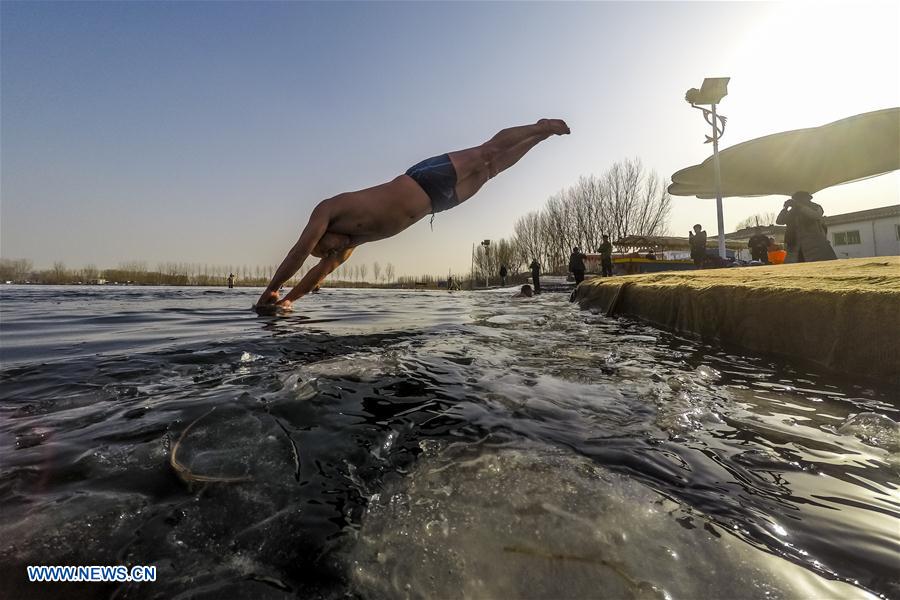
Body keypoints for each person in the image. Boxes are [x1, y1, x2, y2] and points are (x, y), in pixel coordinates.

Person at [254, 119, 570, 313]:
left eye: (326, 249)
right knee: (492, 171)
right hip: (437, 205)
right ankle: (539, 139)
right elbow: (317, 275)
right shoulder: (350, 243)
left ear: (323, 236)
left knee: (487, 153)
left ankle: (538, 127)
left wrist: (272, 287)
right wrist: (289, 300)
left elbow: (298, 253)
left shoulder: (328, 208)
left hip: (422, 178)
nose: (331, 253)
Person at [775, 191, 837, 263]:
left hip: (815, 245)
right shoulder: (792, 211)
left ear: (808, 199)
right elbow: (779, 221)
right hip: (796, 247)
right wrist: (785, 209)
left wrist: (800, 207)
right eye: (796, 199)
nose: (798, 201)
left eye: (800, 199)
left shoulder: (815, 207)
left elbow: (815, 215)